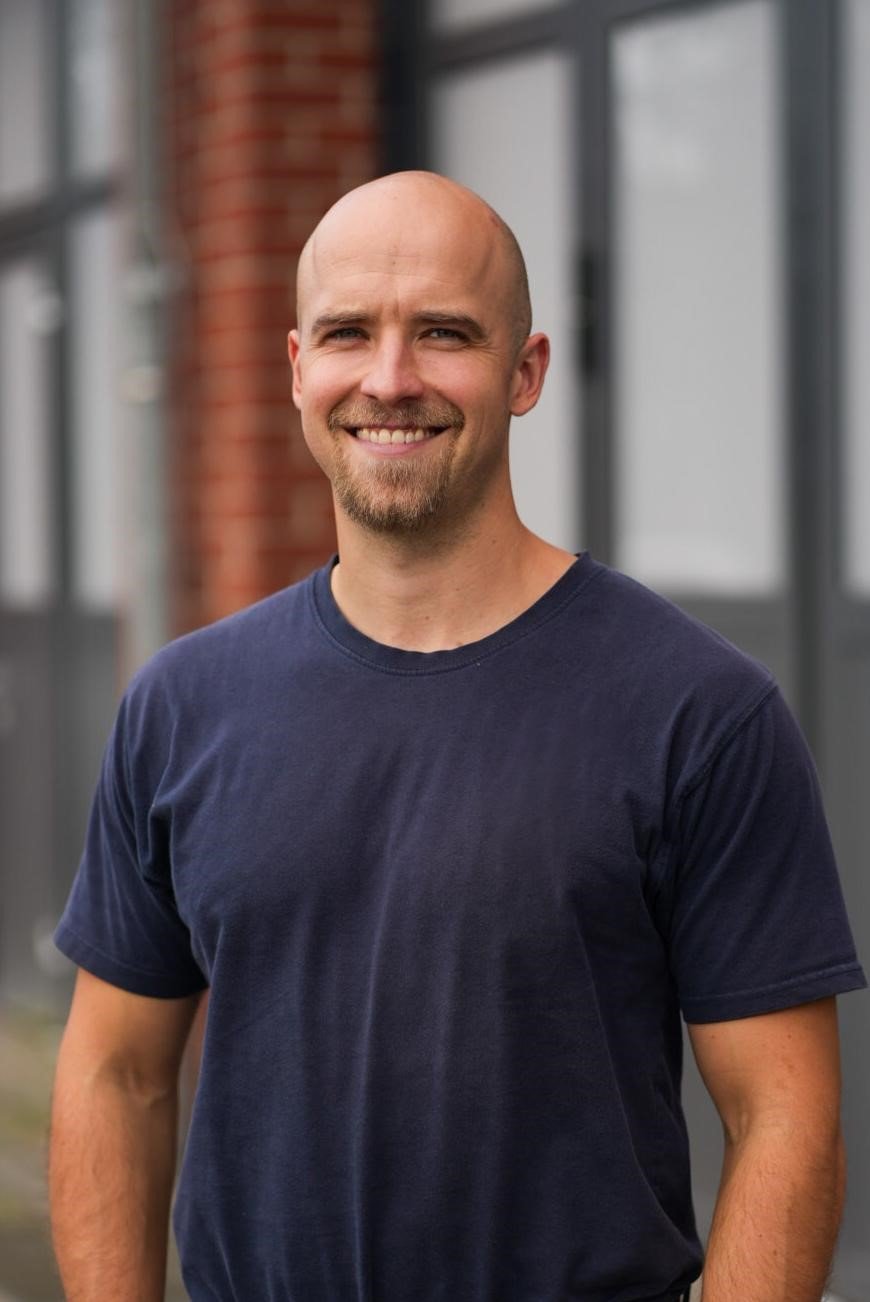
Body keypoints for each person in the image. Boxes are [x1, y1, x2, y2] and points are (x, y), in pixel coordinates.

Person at [49, 171, 865, 1302]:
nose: (389, 379)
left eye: (443, 333)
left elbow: (784, 1119)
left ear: (524, 372)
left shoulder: (699, 712)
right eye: (349, 334)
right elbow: (115, 1075)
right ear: (297, 369)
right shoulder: (184, 705)